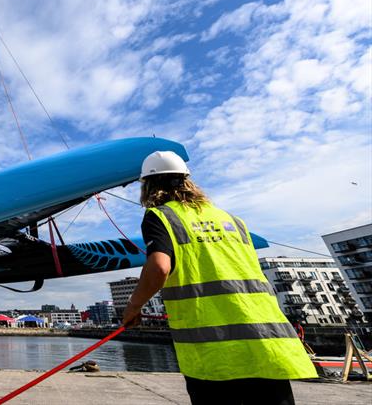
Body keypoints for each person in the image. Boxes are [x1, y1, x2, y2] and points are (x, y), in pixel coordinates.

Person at [122, 151, 316, 405]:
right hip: (267, 343)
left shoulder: (161, 215)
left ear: (148, 185)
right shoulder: (232, 220)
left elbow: (159, 267)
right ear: (188, 181)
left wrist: (134, 306)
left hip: (215, 353)